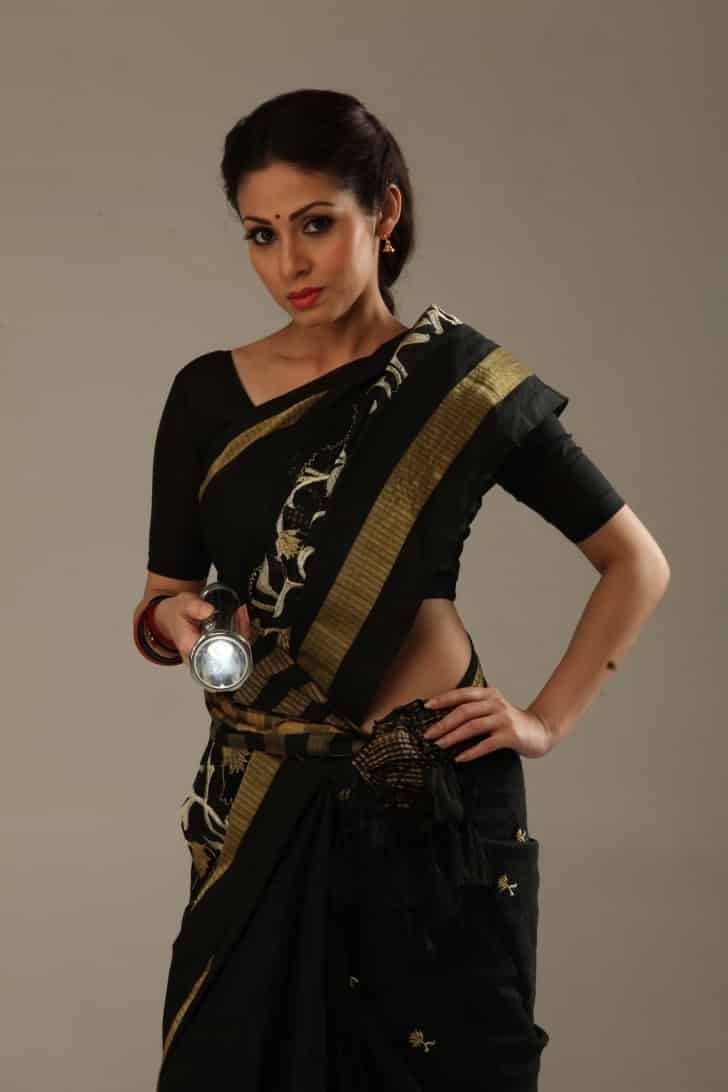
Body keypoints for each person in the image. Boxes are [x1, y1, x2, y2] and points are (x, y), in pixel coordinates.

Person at [132, 89, 670, 1092]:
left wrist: (544, 720)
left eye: (315, 224)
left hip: (427, 787)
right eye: (260, 234)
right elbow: (165, 592)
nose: (288, 263)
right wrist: (178, 618)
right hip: (265, 782)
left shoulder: (459, 385)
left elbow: (636, 561)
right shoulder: (205, 393)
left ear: (383, 211)